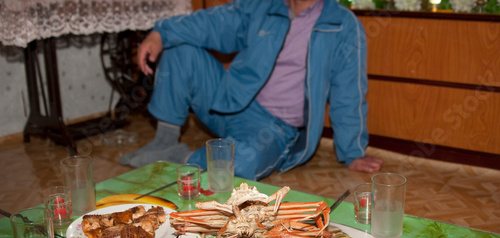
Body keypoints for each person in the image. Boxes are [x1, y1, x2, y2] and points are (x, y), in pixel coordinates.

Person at [120, 0, 383, 180]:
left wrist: (352, 153)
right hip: (227, 100)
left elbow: (349, 93)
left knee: (241, 161)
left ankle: (182, 158)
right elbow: (214, 23)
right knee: (179, 46)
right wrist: (161, 34)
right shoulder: (262, 5)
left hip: (272, 127)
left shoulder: (343, 25)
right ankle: (164, 142)